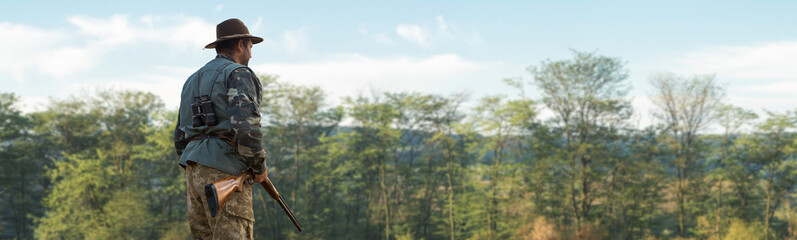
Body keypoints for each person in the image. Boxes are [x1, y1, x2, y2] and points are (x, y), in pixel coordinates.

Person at [174, 18, 268, 239]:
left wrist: (196, 170)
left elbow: (180, 135)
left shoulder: (191, 80)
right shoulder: (238, 73)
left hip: (193, 172)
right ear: (240, 44)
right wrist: (259, 166)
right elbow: (246, 128)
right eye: (250, 47)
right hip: (226, 172)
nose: (251, 54)